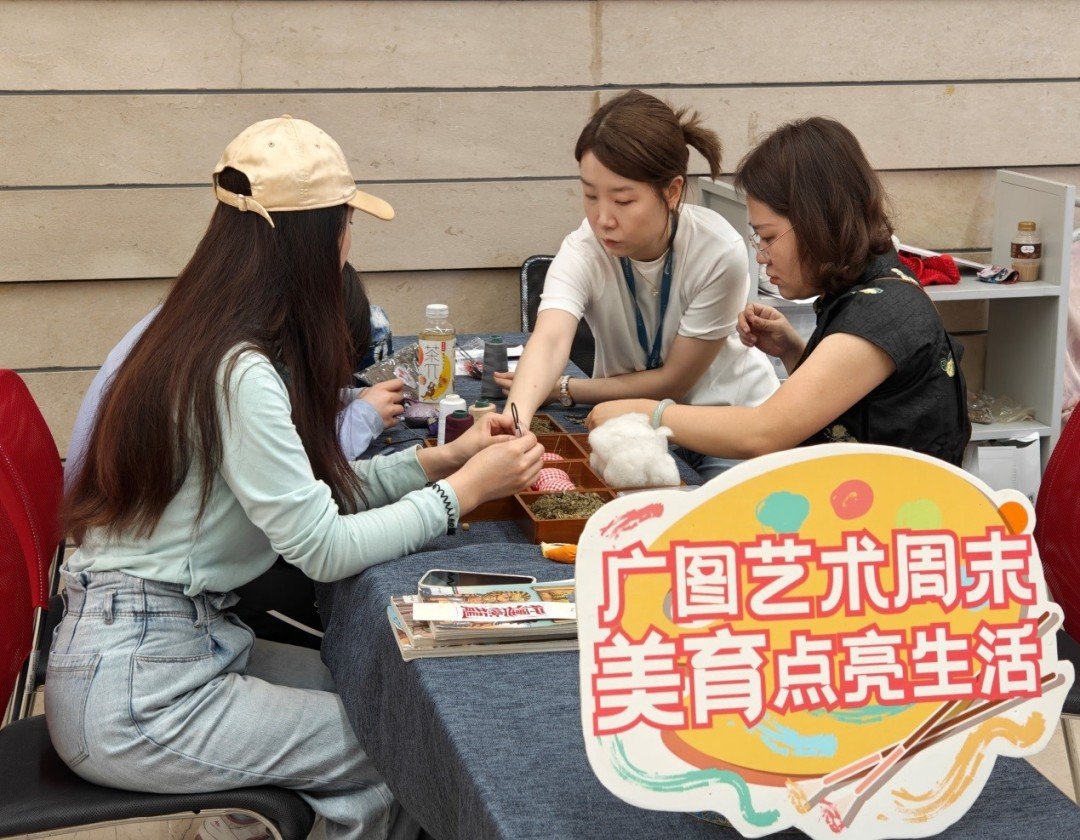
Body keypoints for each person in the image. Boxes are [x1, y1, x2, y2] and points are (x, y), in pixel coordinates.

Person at [47, 115, 543, 840]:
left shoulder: (205, 332)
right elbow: (322, 547)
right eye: (346, 224)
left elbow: (313, 497)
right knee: (394, 748)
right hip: (140, 689)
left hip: (158, 646)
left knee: (387, 697)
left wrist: (436, 461)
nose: (349, 245)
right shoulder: (239, 370)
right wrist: (461, 495)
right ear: (316, 239)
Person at [586, 116, 971, 468]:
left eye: (768, 237)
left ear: (817, 222)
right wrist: (791, 350)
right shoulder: (876, 287)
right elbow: (855, 405)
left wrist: (647, 412)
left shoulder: (883, 312)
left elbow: (762, 433)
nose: (761, 255)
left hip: (890, 516)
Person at [497, 89, 778, 480]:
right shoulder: (583, 250)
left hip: (727, 422)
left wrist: (565, 388)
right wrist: (515, 424)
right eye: (590, 195)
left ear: (672, 191)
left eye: (623, 201)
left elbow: (674, 381)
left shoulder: (717, 251)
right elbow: (549, 340)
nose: (603, 219)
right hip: (634, 423)